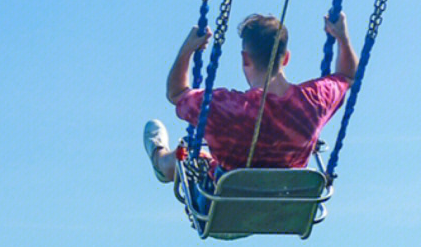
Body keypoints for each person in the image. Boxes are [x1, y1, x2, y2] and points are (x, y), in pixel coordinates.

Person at [144, 11, 358, 185]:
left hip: (226, 205)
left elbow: (176, 93)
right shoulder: (314, 101)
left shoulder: (222, 108)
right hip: (284, 203)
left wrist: (187, 50)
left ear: (245, 59)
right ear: (286, 58)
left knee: (194, 156)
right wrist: (342, 38)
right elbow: (347, 76)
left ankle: (160, 160)